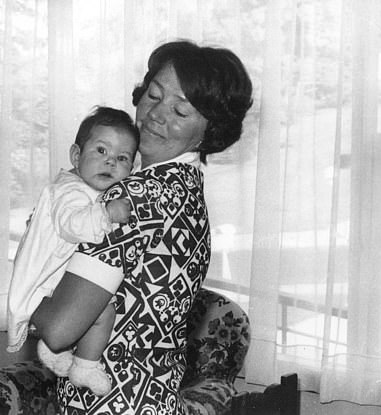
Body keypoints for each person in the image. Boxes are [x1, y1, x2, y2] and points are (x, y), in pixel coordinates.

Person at [30, 39, 253, 414]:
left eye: (180, 111)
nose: (155, 115)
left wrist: (25, 287)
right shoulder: (188, 193)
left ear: (209, 133)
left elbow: (59, 330)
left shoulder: (134, 196)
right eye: (153, 94)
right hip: (156, 400)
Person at [6, 106, 140, 396]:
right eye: (101, 151)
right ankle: (85, 365)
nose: (110, 163)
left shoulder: (83, 186)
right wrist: (107, 214)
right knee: (101, 310)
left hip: (55, 283)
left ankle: (68, 357)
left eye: (122, 158)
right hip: (44, 285)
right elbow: (72, 225)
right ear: (76, 156)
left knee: (103, 310)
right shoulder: (70, 190)